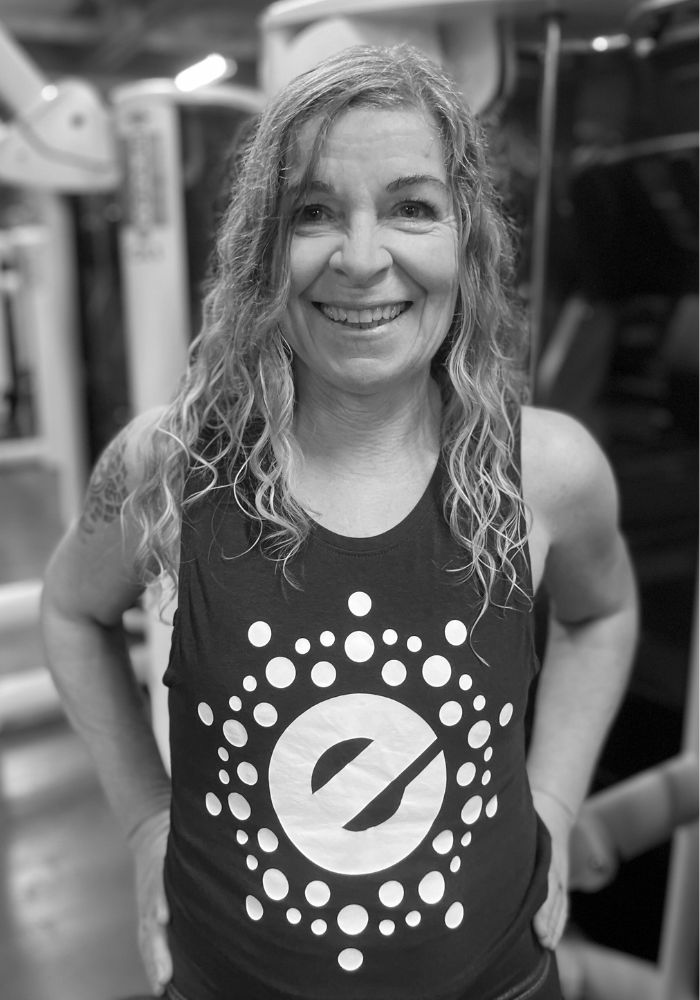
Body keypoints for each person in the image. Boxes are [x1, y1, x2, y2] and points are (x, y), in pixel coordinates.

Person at [40, 44, 638, 1000]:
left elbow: (602, 616)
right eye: (313, 213)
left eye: (412, 207)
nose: (361, 259)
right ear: (261, 249)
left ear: (467, 239)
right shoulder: (170, 463)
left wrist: (556, 802)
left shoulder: (548, 469)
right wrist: (148, 818)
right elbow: (72, 612)